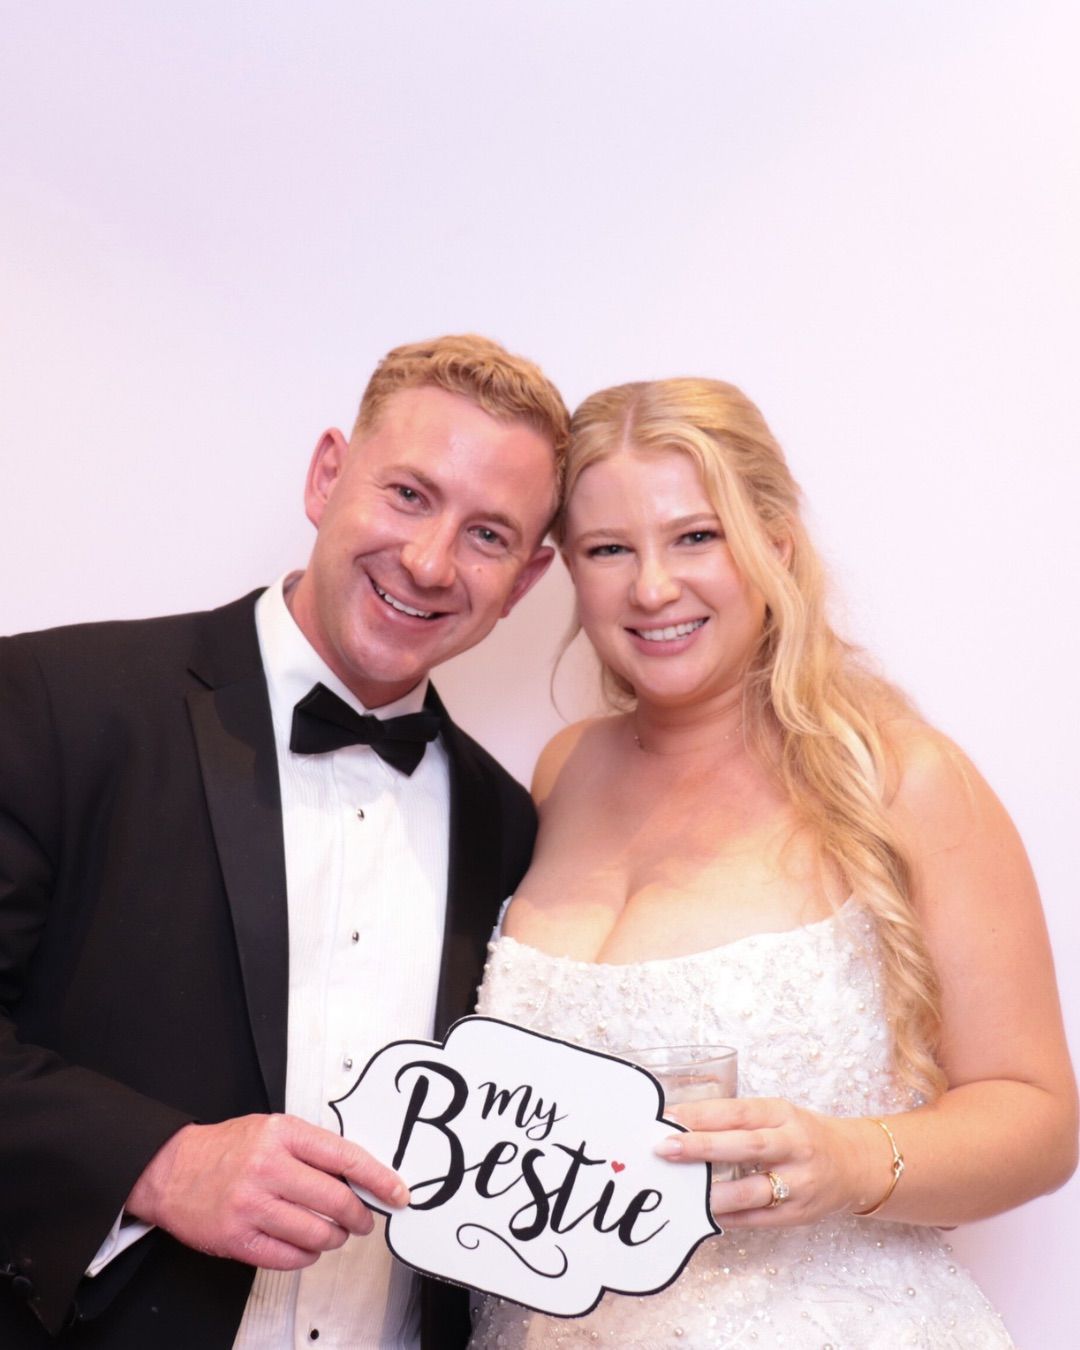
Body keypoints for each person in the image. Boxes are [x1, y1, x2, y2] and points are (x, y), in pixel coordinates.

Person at [469, 377, 1078, 1347]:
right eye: (608, 549)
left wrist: (848, 1159)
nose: (653, 587)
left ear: (776, 544)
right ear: (569, 573)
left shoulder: (897, 776)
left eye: (695, 537)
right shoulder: (562, 774)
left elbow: (1040, 1117)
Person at [0, 334, 569, 1349]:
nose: (431, 562)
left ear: (525, 583)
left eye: (488, 536)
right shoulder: (55, 703)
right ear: (326, 476)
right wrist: (157, 1165)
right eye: (408, 494)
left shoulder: (514, 825)